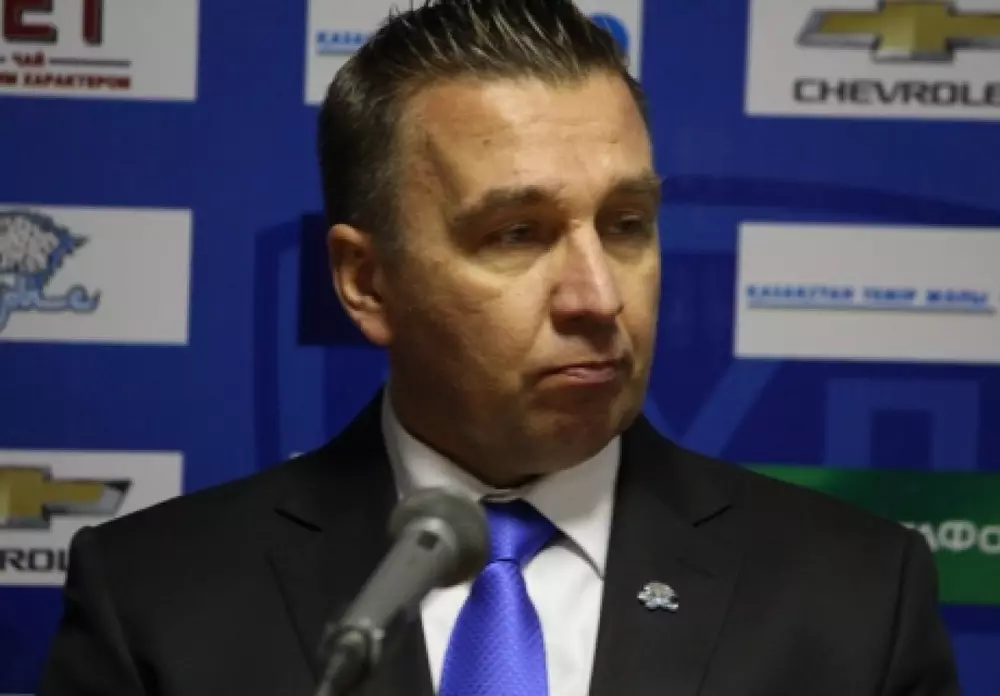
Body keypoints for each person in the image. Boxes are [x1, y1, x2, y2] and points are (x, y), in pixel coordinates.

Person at [39, 1, 961, 695]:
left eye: (627, 224)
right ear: (366, 282)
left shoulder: (856, 597)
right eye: (517, 234)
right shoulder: (157, 598)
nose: (598, 297)